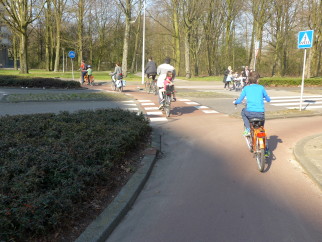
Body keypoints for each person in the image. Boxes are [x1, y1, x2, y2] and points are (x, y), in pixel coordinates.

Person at [233, 71, 271, 136]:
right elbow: (268, 99)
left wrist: (235, 102)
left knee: (243, 112)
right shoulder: (261, 88)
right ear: (257, 80)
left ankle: (247, 129)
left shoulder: (246, 88)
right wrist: (267, 99)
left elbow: (239, 100)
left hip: (250, 113)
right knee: (262, 122)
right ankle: (262, 133)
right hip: (260, 114)